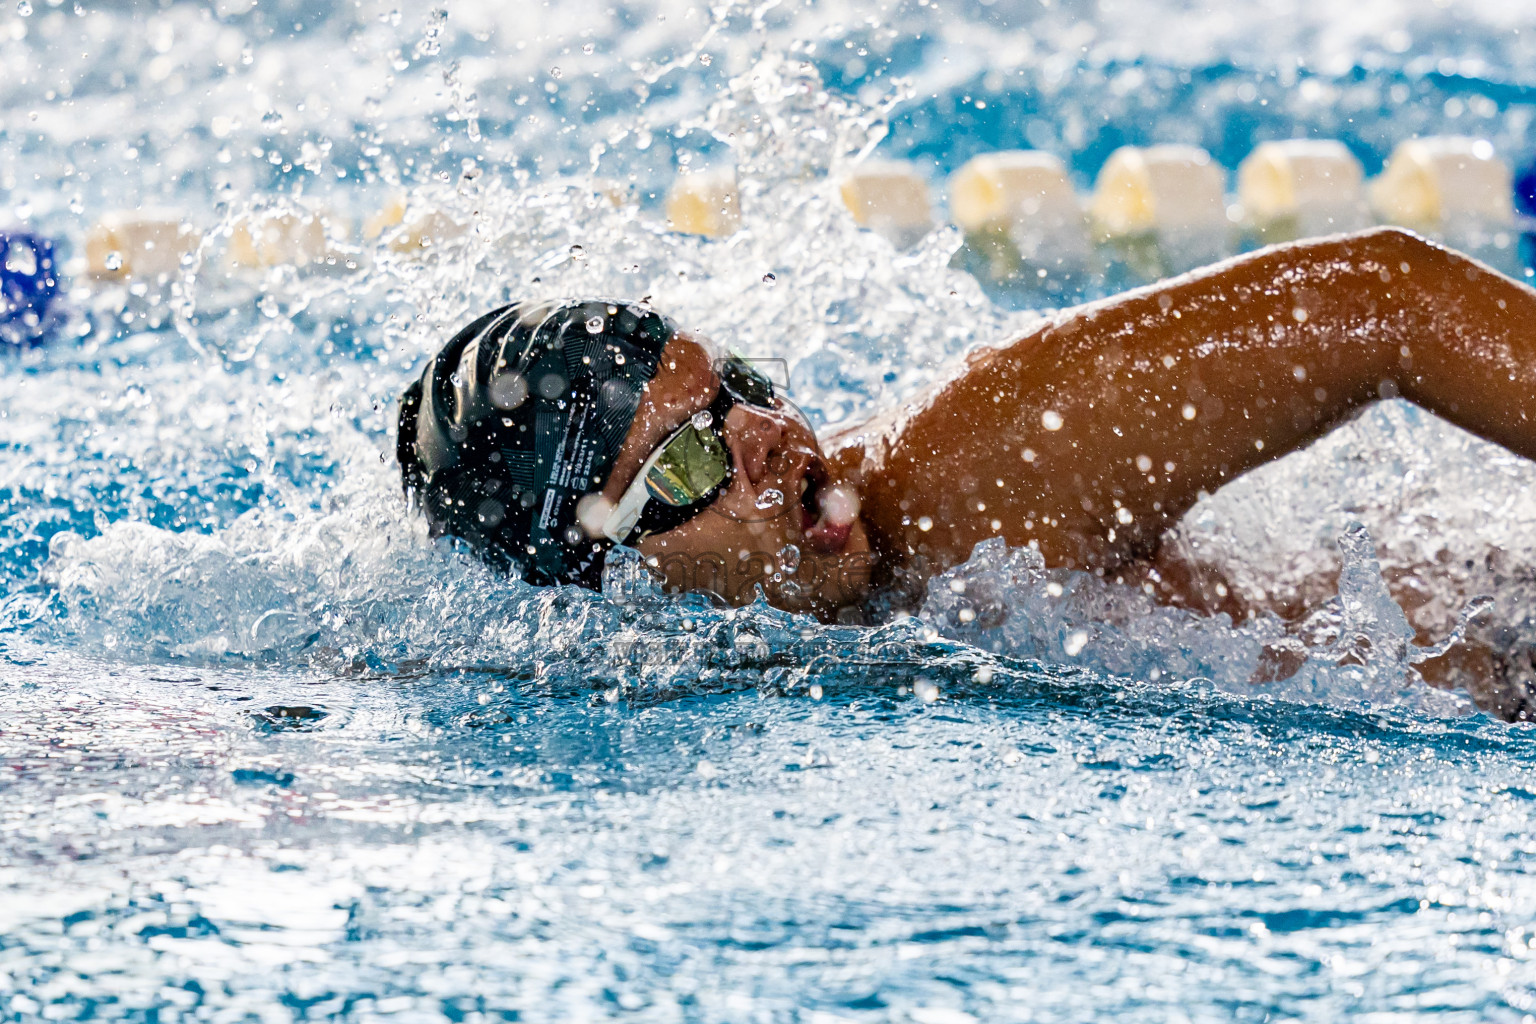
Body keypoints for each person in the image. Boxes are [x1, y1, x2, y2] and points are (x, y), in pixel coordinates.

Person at [397, 227, 1536, 716]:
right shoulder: (671, 665)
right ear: (602, 577)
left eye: (737, 387)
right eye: (696, 453)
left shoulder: (955, 478)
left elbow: (1386, 302)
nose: (774, 436)